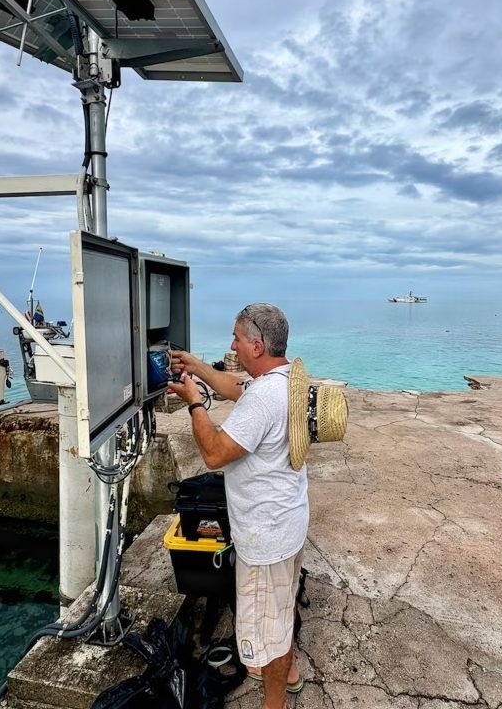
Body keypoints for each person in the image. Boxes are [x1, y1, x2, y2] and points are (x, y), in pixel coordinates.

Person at [168, 303, 306, 709]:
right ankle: (292, 671)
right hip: (289, 522)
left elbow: (213, 453)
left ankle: (274, 703)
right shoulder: (284, 381)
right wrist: (197, 366)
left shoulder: (262, 399)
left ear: (258, 346)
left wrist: (194, 402)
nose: (232, 345)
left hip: (267, 538)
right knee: (281, 610)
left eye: (237, 338)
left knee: (270, 634)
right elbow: (234, 388)